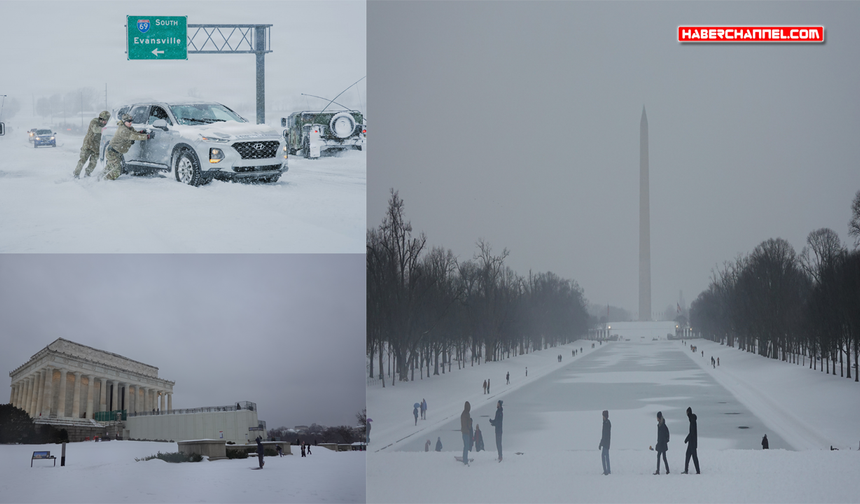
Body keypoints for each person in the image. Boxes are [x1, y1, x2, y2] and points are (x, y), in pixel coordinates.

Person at [102, 113, 151, 180]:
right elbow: (133, 136)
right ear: (124, 121)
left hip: (117, 152)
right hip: (112, 152)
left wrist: (141, 132)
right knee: (117, 171)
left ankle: (99, 178)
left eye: (131, 121)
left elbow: (134, 133)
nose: (130, 123)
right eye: (128, 121)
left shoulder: (128, 128)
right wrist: (147, 136)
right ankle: (104, 180)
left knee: (110, 167)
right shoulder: (123, 130)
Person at [73, 111, 110, 178]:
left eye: (107, 121)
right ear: (100, 119)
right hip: (88, 144)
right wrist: (105, 129)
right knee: (82, 160)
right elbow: (95, 129)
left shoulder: (106, 125)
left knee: (93, 162)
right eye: (104, 120)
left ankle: (87, 173)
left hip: (97, 147)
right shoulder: (94, 121)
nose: (105, 122)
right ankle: (76, 174)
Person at [683, 406, 700, 474]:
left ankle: (697, 471)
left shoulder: (692, 421)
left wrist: (686, 439)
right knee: (687, 455)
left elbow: (692, 433)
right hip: (692, 442)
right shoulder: (692, 420)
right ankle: (686, 470)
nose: (686, 414)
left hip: (692, 443)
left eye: (687, 412)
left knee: (694, 457)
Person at [599, 410, 611, 475]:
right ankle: (608, 470)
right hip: (607, 442)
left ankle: (606, 471)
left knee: (604, 456)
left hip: (606, 443)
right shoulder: (607, 423)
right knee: (606, 456)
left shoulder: (606, 423)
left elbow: (605, 435)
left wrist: (601, 443)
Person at [460, 401, 472, 466]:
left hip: (464, 432)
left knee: (465, 446)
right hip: (466, 432)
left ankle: (465, 458)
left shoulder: (463, 414)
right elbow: (468, 424)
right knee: (466, 446)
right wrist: (470, 423)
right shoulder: (467, 414)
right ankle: (465, 459)